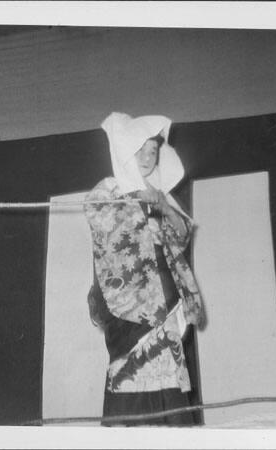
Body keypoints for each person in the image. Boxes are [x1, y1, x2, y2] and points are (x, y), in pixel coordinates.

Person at [84, 112, 204, 426]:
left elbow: (182, 233)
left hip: (163, 293)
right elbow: (99, 220)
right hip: (128, 297)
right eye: (142, 150)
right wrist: (135, 201)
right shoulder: (108, 189)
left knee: (167, 370)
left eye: (154, 151)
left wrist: (163, 206)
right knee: (129, 369)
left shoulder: (161, 193)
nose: (149, 158)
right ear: (127, 153)